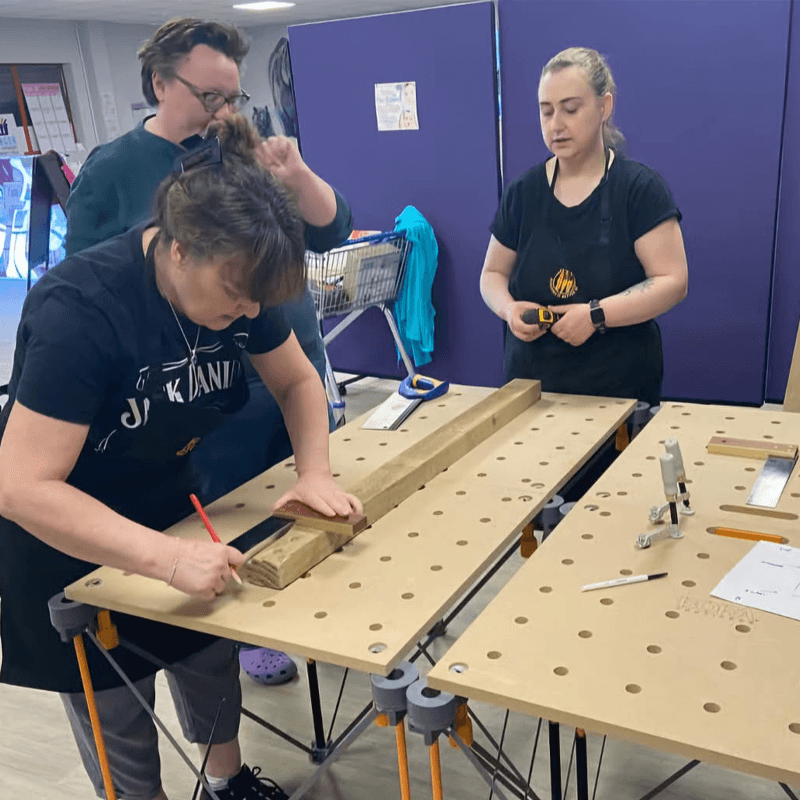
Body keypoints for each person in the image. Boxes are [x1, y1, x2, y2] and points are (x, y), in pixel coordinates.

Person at [0, 116, 361, 800]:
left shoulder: (240, 277)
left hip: (170, 499)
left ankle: (226, 782)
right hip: (70, 537)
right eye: (235, 297)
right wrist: (164, 560)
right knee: (118, 707)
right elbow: (19, 486)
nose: (249, 310)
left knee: (206, 655)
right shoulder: (81, 310)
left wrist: (314, 472)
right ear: (180, 249)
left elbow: (297, 379)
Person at [65, 17, 353, 684]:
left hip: (287, 362)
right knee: (230, 528)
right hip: (203, 396)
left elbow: (332, 227)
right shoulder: (114, 172)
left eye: (234, 97)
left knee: (310, 502)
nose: (226, 112)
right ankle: (251, 639)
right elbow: (98, 291)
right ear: (161, 84)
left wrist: (294, 173)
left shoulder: (241, 150)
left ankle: (323, 625)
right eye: (210, 97)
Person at [480, 47, 688, 407]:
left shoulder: (639, 190)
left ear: (604, 107)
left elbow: (672, 281)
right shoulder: (523, 192)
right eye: (546, 112)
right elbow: (492, 274)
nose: (556, 124)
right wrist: (508, 309)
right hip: (531, 386)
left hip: (617, 392)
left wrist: (596, 316)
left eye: (570, 109)